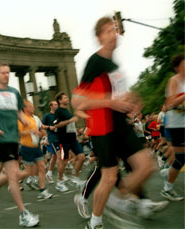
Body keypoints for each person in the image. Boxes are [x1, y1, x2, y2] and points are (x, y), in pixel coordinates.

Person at [72, 16, 155, 229]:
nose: (112, 35)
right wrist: (110, 102)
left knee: (147, 166)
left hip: (121, 125)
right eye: (107, 32)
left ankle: (117, 202)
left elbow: (118, 95)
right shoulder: (95, 62)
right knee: (109, 177)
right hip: (103, 128)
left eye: (114, 30)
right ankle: (95, 222)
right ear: (99, 37)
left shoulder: (114, 65)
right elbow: (77, 101)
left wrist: (131, 102)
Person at [0, 63, 39, 227]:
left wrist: (22, 118)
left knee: (13, 174)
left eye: (8, 73)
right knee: (13, 177)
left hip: (13, 139)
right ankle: (23, 214)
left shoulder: (14, 92)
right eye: (3, 73)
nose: (6, 75)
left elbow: (17, 110)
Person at [160, 54, 185, 201]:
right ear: (177, 67)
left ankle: (168, 172)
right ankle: (167, 189)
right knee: (181, 158)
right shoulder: (173, 81)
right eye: (183, 65)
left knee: (180, 158)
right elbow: (170, 104)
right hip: (176, 124)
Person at [18, 99, 53, 199]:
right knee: (29, 172)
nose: (33, 107)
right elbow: (19, 133)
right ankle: (13, 180)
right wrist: (31, 131)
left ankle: (42, 190)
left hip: (36, 146)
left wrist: (41, 134)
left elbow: (40, 131)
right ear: (25, 108)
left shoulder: (35, 119)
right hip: (26, 147)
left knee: (42, 166)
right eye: (31, 106)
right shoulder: (22, 118)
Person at [54, 92, 85, 192]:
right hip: (64, 140)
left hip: (73, 139)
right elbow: (57, 125)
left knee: (82, 157)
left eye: (67, 97)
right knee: (64, 161)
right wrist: (69, 121)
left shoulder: (67, 111)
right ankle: (59, 182)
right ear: (60, 101)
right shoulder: (58, 111)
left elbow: (70, 124)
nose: (67, 99)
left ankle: (75, 177)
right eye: (65, 98)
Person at [41, 101, 60, 184]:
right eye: (55, 104)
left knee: (55, 156)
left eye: (57, 104)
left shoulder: (58, 115)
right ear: (51, 106)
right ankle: (61, 176)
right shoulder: (47, 116)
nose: (57, 106)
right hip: (53, 138)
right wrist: (49, 127)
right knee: (59, 156)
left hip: (60, 137)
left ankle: (49, 173)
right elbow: (41, 126)